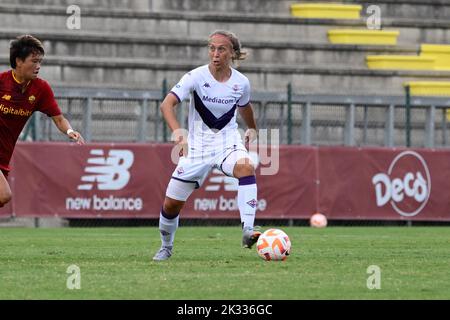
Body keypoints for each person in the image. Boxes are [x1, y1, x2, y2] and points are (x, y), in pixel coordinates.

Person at [153, 30, 261, 261]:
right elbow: (166, 105)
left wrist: (252, 128)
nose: (215, 53)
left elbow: (245, 107)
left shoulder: (241, 83)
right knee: (171, 205)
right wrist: (179, 135)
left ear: (232, 53)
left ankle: (248, 230)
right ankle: (166, 246)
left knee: (246, 167)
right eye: (212, 48)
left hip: (227, 143)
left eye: (221, 49)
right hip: (197, 148)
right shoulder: (195, 76)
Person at [0, 35, 84, 207]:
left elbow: (59, 119)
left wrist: (70, 131)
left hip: (4, 157)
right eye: (34, 61)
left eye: (40, 62)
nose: (38, 66)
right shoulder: (2, 82)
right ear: (18, 61)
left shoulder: (41, 89)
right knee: (4, 195)